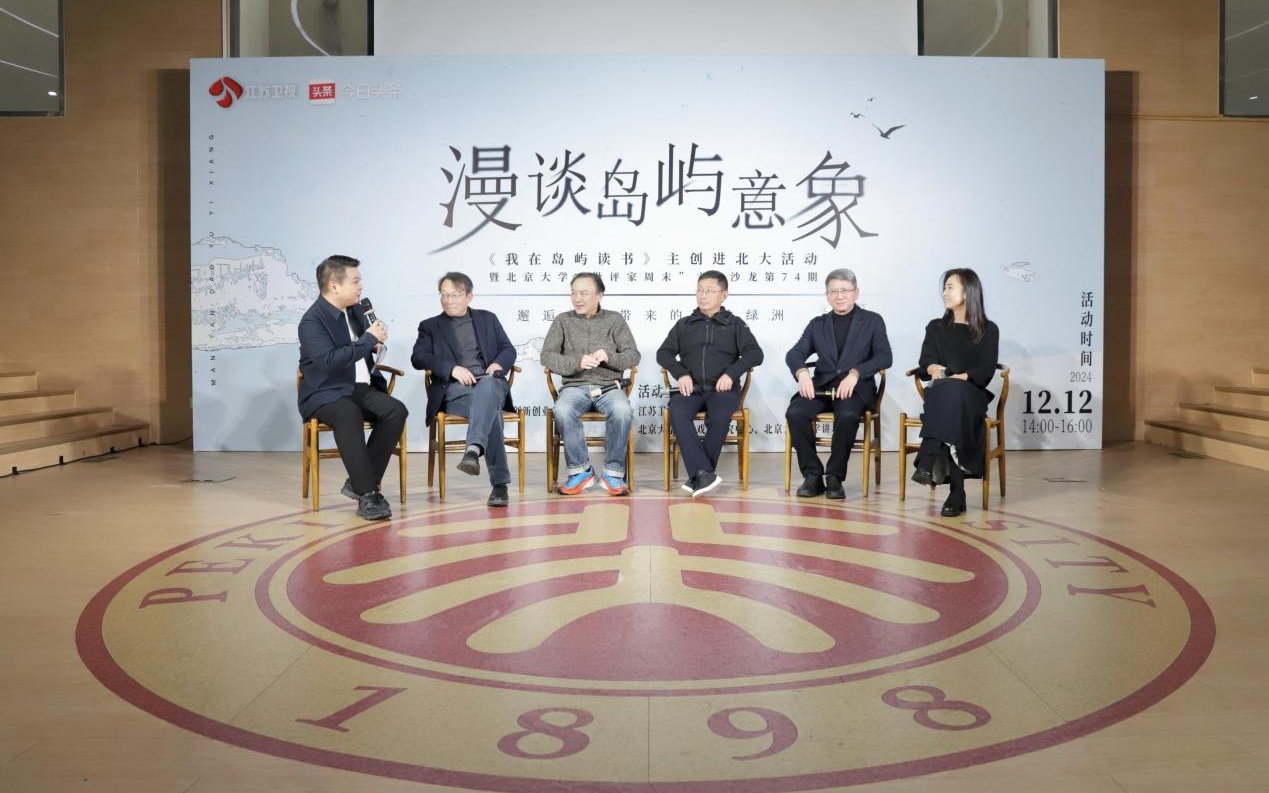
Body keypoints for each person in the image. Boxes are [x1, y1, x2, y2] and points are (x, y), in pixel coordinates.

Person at [297, 255, 408, 521]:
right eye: (355, 281)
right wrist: (368, 340)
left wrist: (374, 344)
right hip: (325, 392)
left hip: (358, 387)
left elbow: (362, 346)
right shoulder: (312, 321)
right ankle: (368, 493)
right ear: (334, 285)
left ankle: (357, 483)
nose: (361, 287)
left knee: (396, 410)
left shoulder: (356, 311)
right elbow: (328, 362)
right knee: (348, 413)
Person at [410, 272, 517, 507]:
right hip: (456, 391)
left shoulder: (488, 319)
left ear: (469, 297)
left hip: (490, 382)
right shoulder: (430, 326)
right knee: (490, 412)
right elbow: (418, 357)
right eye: (444, 295)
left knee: (488, 387)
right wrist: (451, 368)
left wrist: (498, 364)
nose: (448, 300)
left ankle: (473, 449)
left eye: (455, 295)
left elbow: (508, 349)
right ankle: (499, 485)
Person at [785, 268, 892, 500]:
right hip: (822, 386)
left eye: (845, 290)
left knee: (848, 415)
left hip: (856, 389)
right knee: (795, 412)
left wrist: (856, 373)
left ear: (856, 292)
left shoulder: (872, 321)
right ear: (827, 295)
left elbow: (885, 357)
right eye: (834, 291)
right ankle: (812, 475)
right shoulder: (818, 324)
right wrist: (802, 373)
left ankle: (834, 476)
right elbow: (795, 353)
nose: (839, 296)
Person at [655, 270, 764, 497]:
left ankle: (700, 474)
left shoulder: (735, 324)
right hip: (690, 389)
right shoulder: (684, 324)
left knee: (720, 414)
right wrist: (681, 374)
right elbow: (663, 353)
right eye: (699, 290)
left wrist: (731, 374)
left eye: (709, 291)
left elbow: (755, 353)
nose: (702, 295)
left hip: (722, 390)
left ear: (724, 295)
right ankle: (704, 473)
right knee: (677, 411)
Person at [540, 272, 641, 496]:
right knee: (563, 409)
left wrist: (609, 357)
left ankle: (613, 474)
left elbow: (633, 355)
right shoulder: (563, 321)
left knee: (622, 410)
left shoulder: (614, 320)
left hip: (609, 387)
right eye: (573, 293)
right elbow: (547, 356)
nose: (577, 298)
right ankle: (581, 471)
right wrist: (576, 362)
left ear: (599, 295)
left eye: (584, 293)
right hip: (574, 387)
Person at [911, 267, 1000, 517]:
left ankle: (927, 458)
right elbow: (926, 361)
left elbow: (986, 369)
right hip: (942, 393)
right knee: (947, 395)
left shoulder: (988, 329)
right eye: (944, 287)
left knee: (951, 394)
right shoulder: (936, 327)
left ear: (968, 292)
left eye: (950, 287)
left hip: (971, 394)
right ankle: (956, 494)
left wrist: (963, 376)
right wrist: (933, 368)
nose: (944, 292)